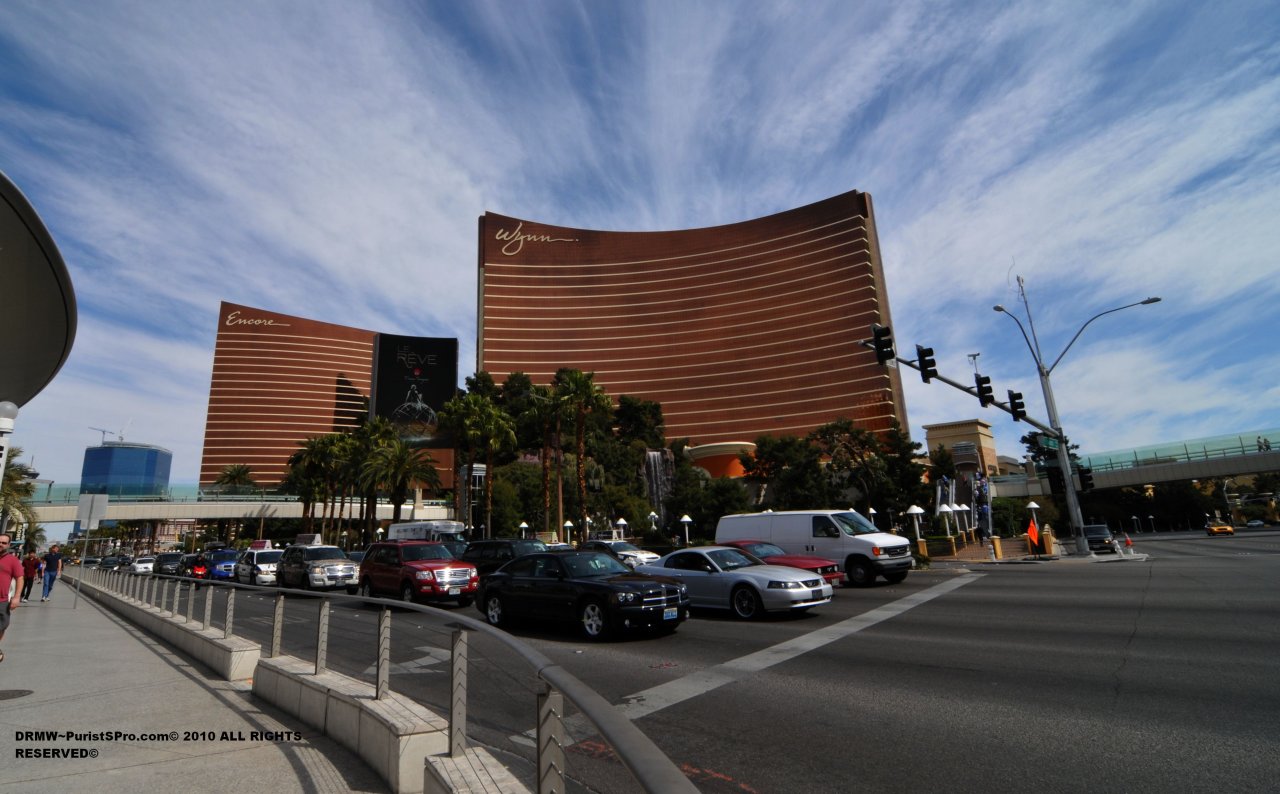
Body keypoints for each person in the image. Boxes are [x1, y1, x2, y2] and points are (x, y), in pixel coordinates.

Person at [0, 533, 24, 663]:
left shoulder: (12, 560)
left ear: (8, 545)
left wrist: (16, 596)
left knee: (2, 626)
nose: (1, 544)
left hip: (2, 601)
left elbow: (19, 578)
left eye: (4, 543)